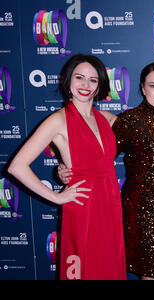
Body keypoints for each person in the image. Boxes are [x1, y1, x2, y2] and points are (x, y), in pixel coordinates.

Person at [58, 62, 154, 280]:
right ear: (142, 88)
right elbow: (99, 157)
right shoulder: (128, 121)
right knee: (149, 275)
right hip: (141, 212)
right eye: (153, 86)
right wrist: (66, 169)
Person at [8, 54, 127, 280]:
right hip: (83, 207)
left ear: (100, 84)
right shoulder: (58, 120)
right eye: (79, 77)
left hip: (110, 205)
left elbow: (142, 121)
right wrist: (57, 197)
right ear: (68, 81)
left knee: (109, 269)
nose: (85, 85)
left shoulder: (107, 119)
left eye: (93, 80)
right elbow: (17, 167)